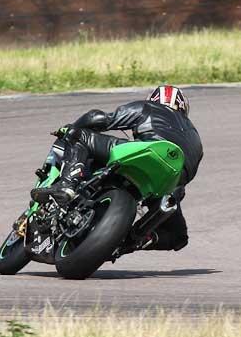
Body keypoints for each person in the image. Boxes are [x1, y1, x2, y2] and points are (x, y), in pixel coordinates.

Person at [30, 85, 203, 251]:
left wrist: (73, 127)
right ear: (183, 108)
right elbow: (182, 186)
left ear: (155, 99)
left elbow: (99, 118)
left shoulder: (148, 108)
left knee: (79, 136)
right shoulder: (195, 137)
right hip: (168, 180)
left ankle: (67, 184)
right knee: (178, 236)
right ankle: (136, 238)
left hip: (148, 153)